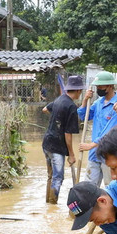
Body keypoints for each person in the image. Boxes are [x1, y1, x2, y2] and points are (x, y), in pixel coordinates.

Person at [41, 75, 83, 203]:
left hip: (46, 143)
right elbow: (68, 134)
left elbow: (45, 109)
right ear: (77, 91)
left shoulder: (59, 100)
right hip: (56, 147)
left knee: (51, 176)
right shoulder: (71, 107)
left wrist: (57, 119)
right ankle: (53, 204)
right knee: (58, 178)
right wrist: (71, 154)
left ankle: (48, 204)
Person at [78, 71, 117, 187]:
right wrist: (85, 100)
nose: (98, 89)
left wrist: (91, 145)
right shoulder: (98, 103)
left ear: (110, 86)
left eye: (101, 86)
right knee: (88, 188)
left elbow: (110, 132)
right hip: (94, 154)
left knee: (111, 187)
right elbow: (84, 116)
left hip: (110, 154)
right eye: (97, 86)